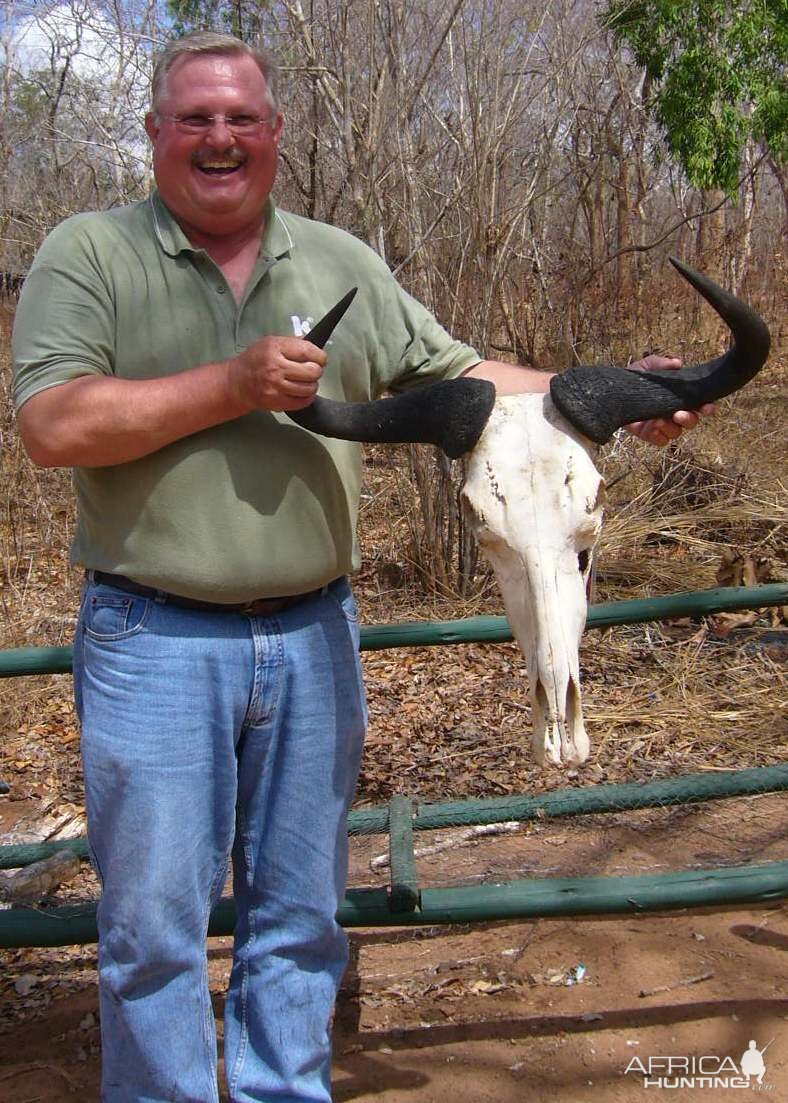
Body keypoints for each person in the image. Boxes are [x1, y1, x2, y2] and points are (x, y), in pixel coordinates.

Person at [12, 31, 709, 1103]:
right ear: (154, 133)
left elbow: (461, 377)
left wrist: (617, 394)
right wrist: (233, 383)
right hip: (152, 638)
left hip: (311, 634)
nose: (219, 137)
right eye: (194, 117)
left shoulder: (338, 261)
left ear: (275, 134)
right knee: (151, 927)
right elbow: (54, 425)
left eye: (241, 117)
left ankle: (281, 1087)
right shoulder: (89, 253)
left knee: (299, 912)